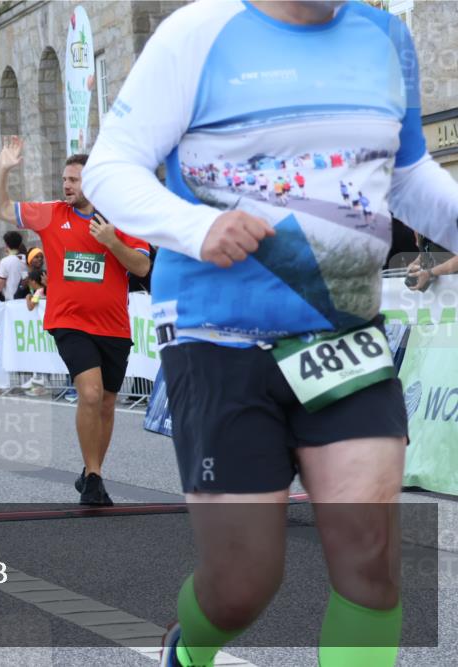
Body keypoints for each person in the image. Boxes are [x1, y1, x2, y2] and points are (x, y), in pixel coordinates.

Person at [81, 1, 458, 665]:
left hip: (342, 326)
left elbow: (406, 175)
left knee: (371, 556)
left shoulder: (384, 34)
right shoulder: (198, 32)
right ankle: (188, 649)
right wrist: (196, 228)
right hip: (216, 331)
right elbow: (109, 168)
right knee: (242, 584)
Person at [0, 141, 150, 506]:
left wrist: (111, 242)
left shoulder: (120, 220)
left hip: (114, 326)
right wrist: (3, 170)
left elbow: (141, 267)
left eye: (75, 180)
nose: (67, 186)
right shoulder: (51, 214)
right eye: (65, 179)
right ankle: (94, 478)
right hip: (69, 321)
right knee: (90, 393)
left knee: (107, 402)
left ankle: (91, 471)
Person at [0, 230, 29, 302]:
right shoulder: (27, 259)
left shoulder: (4, 262)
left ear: (6, 245)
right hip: (27, 300)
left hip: (12, 301)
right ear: (20, 244)